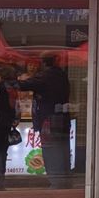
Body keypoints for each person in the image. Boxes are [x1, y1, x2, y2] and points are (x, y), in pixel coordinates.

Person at [18, 51, 71, 188]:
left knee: (51, 151)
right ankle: (64, 181)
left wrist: (10, 80)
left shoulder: (46, 76)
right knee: (62, 150)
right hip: (62, 118)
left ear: (43, 62)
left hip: (49, 119)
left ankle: (56, 183)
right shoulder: (62, 75)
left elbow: (23, 85)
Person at [0, 64, 20, 190]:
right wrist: (14, 119)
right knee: (2, 152)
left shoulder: (0, 88)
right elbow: (15, 107)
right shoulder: (12, 88)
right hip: (6, 123)